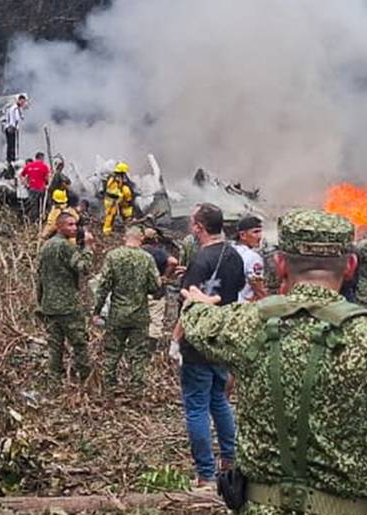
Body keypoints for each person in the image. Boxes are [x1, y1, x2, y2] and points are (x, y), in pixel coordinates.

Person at [180, 209, 367, 513]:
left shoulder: (246, 325)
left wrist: (197, 306)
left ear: (281, 264)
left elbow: (200, 322)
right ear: (351, 266)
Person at [177, 203, 244, 487]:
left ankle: (205, 474)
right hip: (223, 339)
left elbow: (188, 303)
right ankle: (230, 459)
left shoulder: (201, 260)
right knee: (219, 400)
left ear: (199, 227)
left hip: (198, 343)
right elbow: (238, 289)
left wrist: (175, 338)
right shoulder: (234, 256)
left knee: (196, 407)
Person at [94, 227, 162, 388]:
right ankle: (137, 386)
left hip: (117, 313)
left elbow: (103, 286)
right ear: (141, 239)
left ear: (125, 237)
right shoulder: (147, 258)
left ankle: (109, 384)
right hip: (140, 314)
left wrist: (97, 310)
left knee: (112, 350)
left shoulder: (113, 256)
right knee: (138, 353)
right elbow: (155, 286)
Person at [35, 212, 93, 379]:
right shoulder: (65, 246)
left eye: (75, 224)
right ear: (59, 226)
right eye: (70, 224)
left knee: (55, 346)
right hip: (67, 306)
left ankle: (54, 378)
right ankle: (85, 378)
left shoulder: (45, 246)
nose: (74, 228)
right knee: (79, 343)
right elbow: (84, 268)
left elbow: (40, 277)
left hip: (50, 306)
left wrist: (40, 301)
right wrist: (88, 247)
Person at [232, 215, 266, 303]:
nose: (259, 236)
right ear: (243, 235)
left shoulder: (228, 251)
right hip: (244, 305)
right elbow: (259, 289)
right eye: (255, 232)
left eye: (260, 232)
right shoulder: (253, 257)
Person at [101, 163, 136, 234]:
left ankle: (128, 219)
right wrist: (119, 194)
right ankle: (106, 231)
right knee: (110, 215)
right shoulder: (113, 179)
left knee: (125, 208)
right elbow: (111, 191)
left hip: (117, 199)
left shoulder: (119, 177)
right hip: (111, 201)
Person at [2, 93, 27, 164]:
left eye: (24, 101)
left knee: (13, 143)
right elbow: (12, 119)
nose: (23, 103)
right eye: (22, 101)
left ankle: (12, 157)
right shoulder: (14, 108)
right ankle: (10, 159)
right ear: (18, 100)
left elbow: (21, 118)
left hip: (14, 127)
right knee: (11, 144)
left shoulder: (18, 109)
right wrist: (12, 127)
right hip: (10, 127)